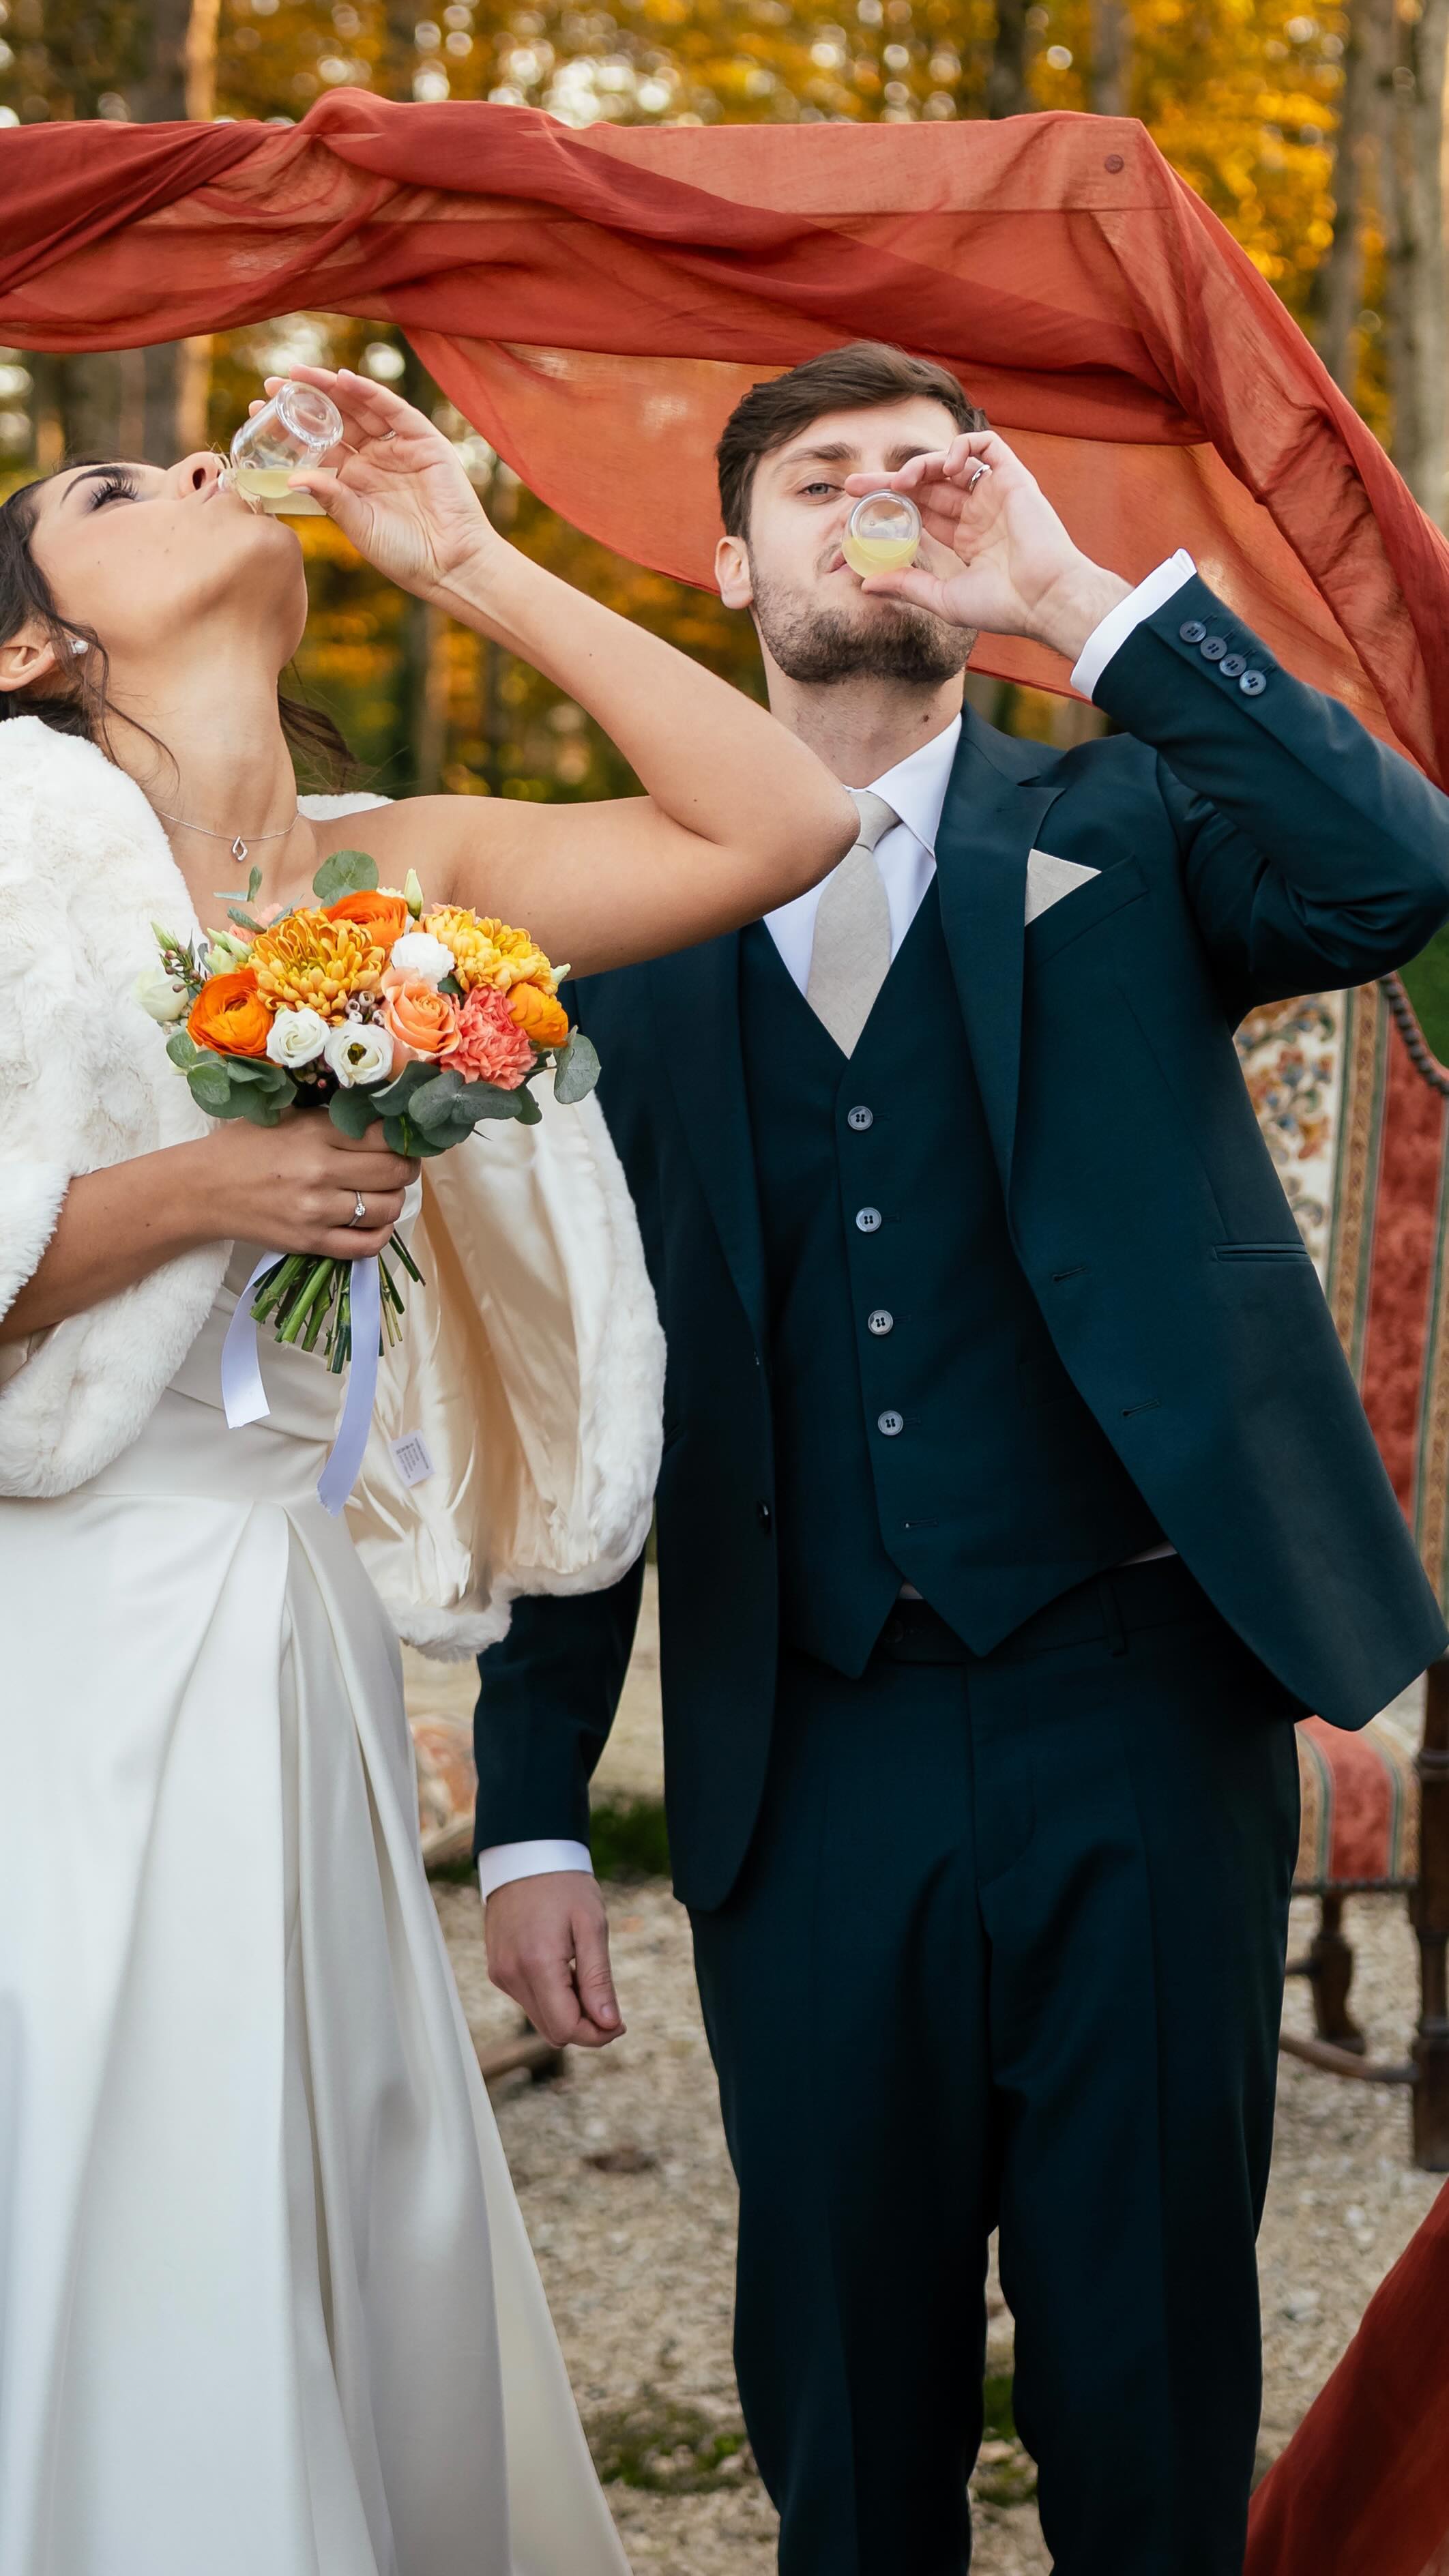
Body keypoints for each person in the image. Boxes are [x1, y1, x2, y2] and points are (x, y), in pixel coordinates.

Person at [473, 340, 1449, 2576]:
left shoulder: (1124, 827)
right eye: (820, 478)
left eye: (925, 476)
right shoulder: (590, 925)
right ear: (727, 562)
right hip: (804, 1736)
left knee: (1150, 2368)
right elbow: (569, 1378)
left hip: (1141, 1704)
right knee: (842, 2380)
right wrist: (531, 1805)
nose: (877, 507)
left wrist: (1078, 602)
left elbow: (1393, 878)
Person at [0, 363, 856, 2576]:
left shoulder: (406, 873)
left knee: (310, 2157)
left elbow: (782, 827)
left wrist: (466, 556)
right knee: (100, 2156)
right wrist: (198, 1193)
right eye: (116, 483)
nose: (200, 460)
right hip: (47, 1632)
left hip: (284, 1621)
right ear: (27, 648)